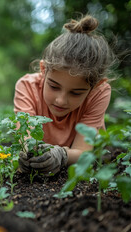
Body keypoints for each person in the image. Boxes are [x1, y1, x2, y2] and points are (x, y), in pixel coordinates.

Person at [14, 15, 117, 175]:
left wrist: (62, 155)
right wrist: (29, 154)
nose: (61, 100)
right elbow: (26, 141)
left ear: (95, 86)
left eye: (76, 93)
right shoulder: (27, 86)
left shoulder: (100, 92)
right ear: (43, 70)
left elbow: (84, 152)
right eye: (54, 87)